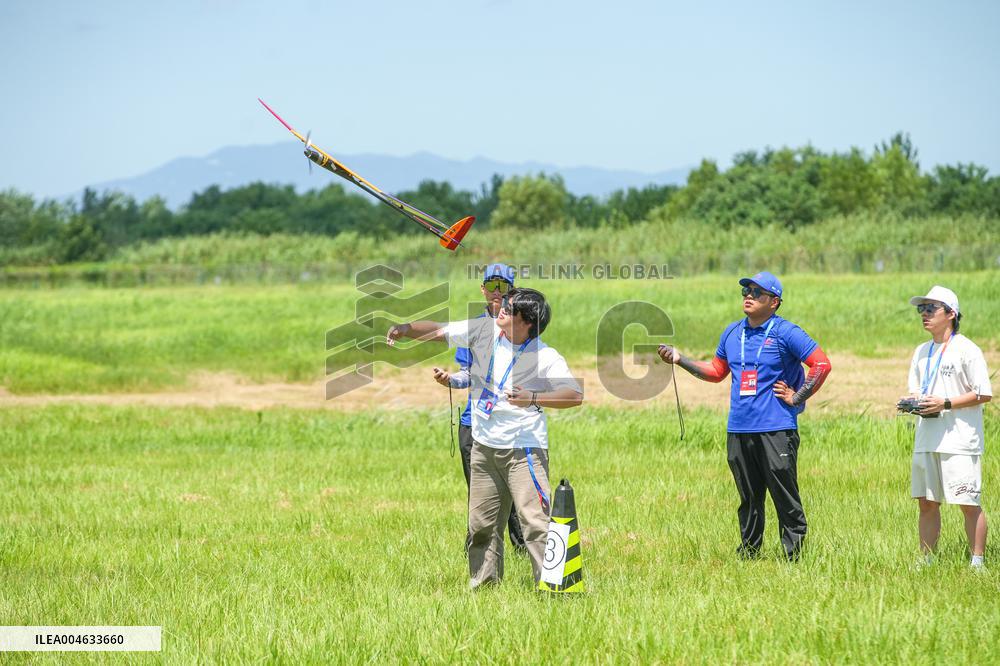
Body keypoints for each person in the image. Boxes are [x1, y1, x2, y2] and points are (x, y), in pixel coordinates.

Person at [387, 287, 583, 587]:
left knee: (535, 523)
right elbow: (440, 331)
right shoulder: (483, 331)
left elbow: (574, 395)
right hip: (483, 448)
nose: (501, 306)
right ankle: (484, 587)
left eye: (510, 306)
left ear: (527, 320)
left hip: (523, 451)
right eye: (504, 302)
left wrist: (532, 397)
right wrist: (406, 329)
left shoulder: (545, 355)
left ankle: (553, 589)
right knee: (481, 526)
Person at [658, 271, 831, 561]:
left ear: (774, 302)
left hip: (776, 428)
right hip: (739, 428)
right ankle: (749, 553)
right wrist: (680, 359)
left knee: (783, 495)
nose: (748, 296)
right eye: (746, 292)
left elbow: (821, 364)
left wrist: (797, 397)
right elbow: (716, 372)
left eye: (757, 293)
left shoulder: (786, 332)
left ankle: (794, 556)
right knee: (749, 497)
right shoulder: (732, 333)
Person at [431, 263, 526, 553]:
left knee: (514, 490)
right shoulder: (471, 329)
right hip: (475, 423)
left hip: (509, 421)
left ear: (513, 291)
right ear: (482, 289)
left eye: (503, 286)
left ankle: (523, 545)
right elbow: (466, 374)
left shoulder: (523, 328)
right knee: (481, 492)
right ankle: (479, 548)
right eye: (491, 285)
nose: (497, 292)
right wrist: (450, 380)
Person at [902, 286, 991, 570]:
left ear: (951, 314)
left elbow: (984, 393)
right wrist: (911, 403)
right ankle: (926, 559)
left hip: (960, 440)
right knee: (926, 503)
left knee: (968, 501)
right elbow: (917, 390)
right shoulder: (921, 351)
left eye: (931, 309)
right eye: (921, 309)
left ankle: (977, 562)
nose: (924, 315)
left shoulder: (967, 349)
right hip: (927, 438)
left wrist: (946, 403)